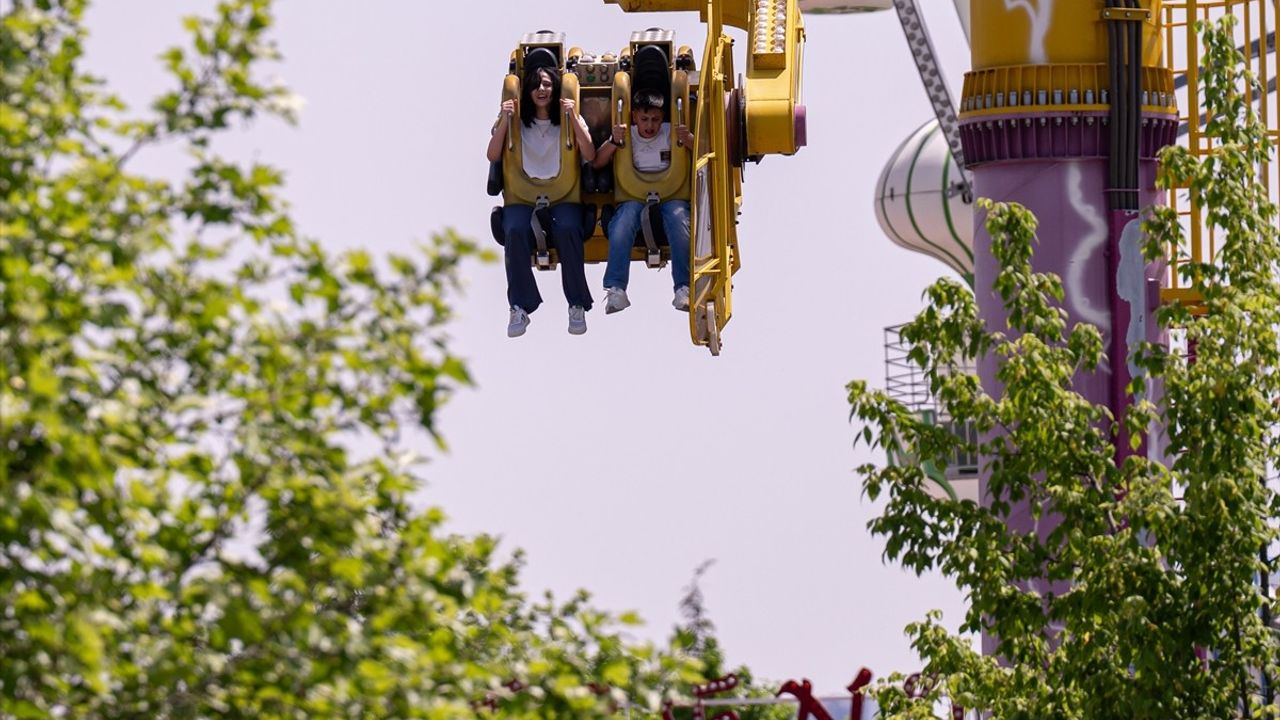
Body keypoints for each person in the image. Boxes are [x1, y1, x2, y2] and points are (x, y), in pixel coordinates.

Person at [487, 60, 596, 337]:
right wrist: (504, 119)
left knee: (569, 228)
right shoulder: (516, 120)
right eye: (536, 85)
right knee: (514, 229)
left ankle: (577, 303)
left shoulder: (569, 118)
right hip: (524, 196)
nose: (542, 89)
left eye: (547, 84)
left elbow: (590, 153)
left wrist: (573, 117)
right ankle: (520, 306)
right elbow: (492, 154)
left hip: (562, 194)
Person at [591, 89, 694, 315]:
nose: (650, 125)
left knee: (680, 222)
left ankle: (684, 287)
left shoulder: (671, 133)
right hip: (634, 195)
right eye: (644, 119)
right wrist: (613, 142)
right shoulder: (625, 135)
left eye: (655, 120)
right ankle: (616, 288)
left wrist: (689, 141)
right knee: (622, 225)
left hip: (670, 193)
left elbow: (704, 156)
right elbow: (597, 162)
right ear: (634, 116)